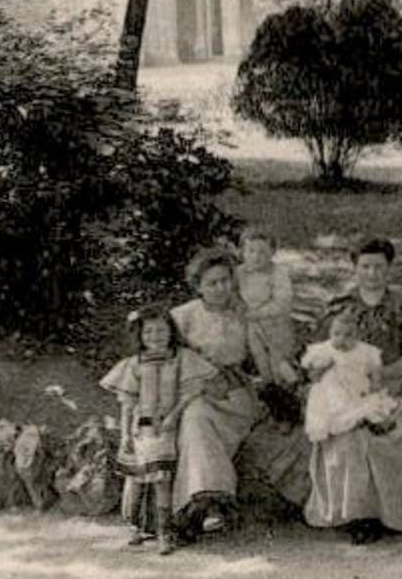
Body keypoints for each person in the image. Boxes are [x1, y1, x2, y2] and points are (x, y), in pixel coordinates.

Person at [304, 237, 402, 544]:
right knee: (350, 434)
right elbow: (321, 354)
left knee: (389, 436)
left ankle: (393, 513)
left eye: (379, 266)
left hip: (391, 384)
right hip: (346, 387)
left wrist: (383, 373)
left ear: (389, 268)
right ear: (355, 269)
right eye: (365, 266)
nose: (372, 274)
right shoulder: (340, 307)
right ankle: (359, 515)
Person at [100, 304, 219, 555]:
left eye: (161, 331)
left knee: (162, 480)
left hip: (165, 428)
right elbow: (128, 405)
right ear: (140, 336)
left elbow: (190, 392)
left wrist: (173, 417)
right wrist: (124, 436)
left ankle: (166, 531)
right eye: (149, 332)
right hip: (139, 430)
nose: (156, 337)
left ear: (171, 332)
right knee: (136, 480)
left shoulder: (180, 359)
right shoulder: (134, 364)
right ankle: (135, 526)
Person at [168, 245, 267, 537]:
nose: (221, 288)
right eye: (212, 283)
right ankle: (206, 501)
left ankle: (203, 502)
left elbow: (260, 359)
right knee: (195, 418)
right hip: (194, 390)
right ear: (198, 286)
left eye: (225, 280)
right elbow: (166, 356)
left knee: (201, 420)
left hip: (234, 394)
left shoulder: (243, 316)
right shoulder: (182, 316)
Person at [300, 309, 398, 445]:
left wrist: (376, 381)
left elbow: (375, 366)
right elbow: (311, 371)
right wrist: (323, 367)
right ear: (330, 333)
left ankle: (375, 421)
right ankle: (349, 422)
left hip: (357, 385)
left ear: (357, 336)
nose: (341, 339)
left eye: (348, 335)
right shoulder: (324, 349)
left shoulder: (364, 350)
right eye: (336, 334)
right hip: (331, 387)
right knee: (337, 405)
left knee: (370, 400)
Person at [236, 226, 299, 390]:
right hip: (251, 324)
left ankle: (287, 387)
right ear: (242, 252)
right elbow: (233, 295)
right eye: (251, 251)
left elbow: (283, 302)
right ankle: (268, 385)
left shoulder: (278, 273)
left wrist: (257, 313)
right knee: (259, 356)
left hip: (275, 322)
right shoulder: (240, 273)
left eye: (262, 252)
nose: (256, 257)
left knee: (279, 359)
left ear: (272, 252)